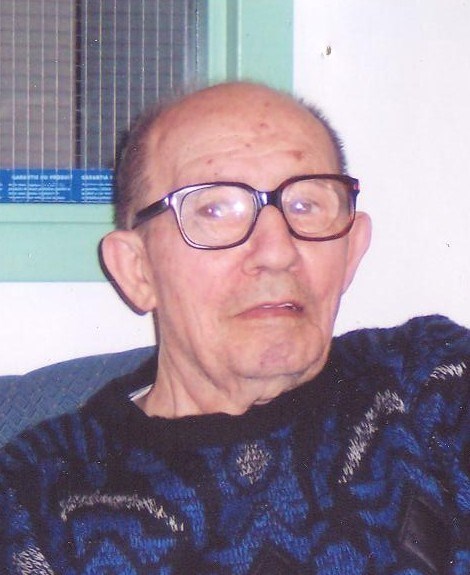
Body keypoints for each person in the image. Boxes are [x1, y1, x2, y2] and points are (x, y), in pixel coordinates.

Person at [0, 82, 468, 574]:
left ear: (351, 250)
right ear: (138, 270)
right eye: (215, 210)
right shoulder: (39, 500)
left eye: (306, 205)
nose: (277, 251)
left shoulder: (430, 383)